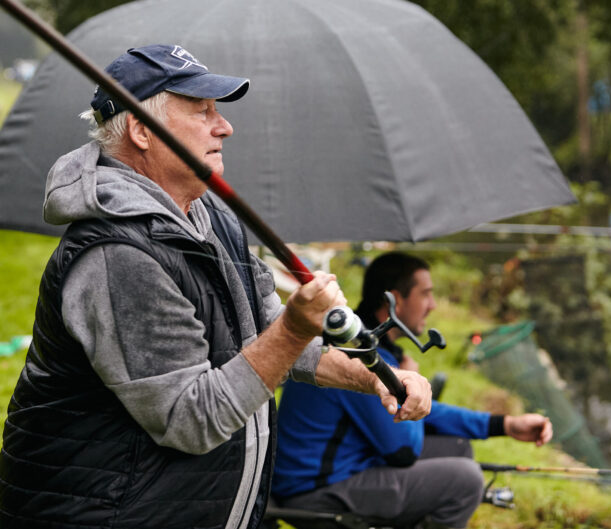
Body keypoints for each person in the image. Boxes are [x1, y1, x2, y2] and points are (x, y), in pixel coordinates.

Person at [0, 45, 432, 529]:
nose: (224, 126)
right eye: (202, 111)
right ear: (142, 131)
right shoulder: (118, 256)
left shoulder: (210, 220)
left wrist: (376, 379)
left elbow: (274, 339)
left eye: (217, 111)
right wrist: (292, 328)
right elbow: (190, 419)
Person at [272, 252, 554, 529]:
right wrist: (412, 383)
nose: (432, 305)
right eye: (425, 294)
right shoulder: (362, 356)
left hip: (342, 466)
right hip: (312, 492)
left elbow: (426, 414)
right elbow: (403, 451)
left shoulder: (366, 345)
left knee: (456, 446)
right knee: (466, 480)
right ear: (394, 300)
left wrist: (504, 424)